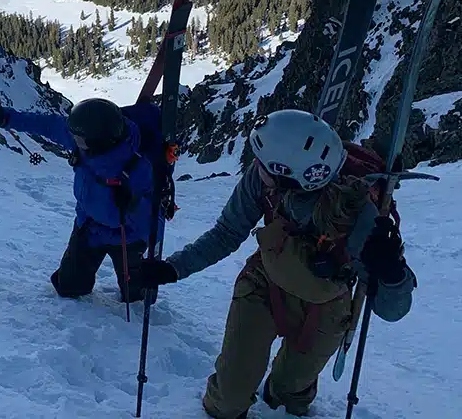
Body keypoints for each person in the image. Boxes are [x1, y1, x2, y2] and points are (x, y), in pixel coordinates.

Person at [139, 109, 417, 419]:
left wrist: (392, 273)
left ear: (291, 176)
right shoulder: (264, 181)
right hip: (264, 283)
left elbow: (392, 310)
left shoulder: (360, 215)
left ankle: (283, 391)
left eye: (263, 164)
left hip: (326, 303)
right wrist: (173, 268)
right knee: (227, 401)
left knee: (288, 401)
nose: (255, 166)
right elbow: (227, 233)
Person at [0, 97, 169, 305]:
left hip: (127, 237)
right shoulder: (85, 141)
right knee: (68, 288)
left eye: (79, 139)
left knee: (136, 300)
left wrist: (133, 205)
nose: (73, 140)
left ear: (100, 141)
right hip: (89, 228)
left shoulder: (142, 167)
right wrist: (6, 116)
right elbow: (48, 125)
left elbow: (156, 229)